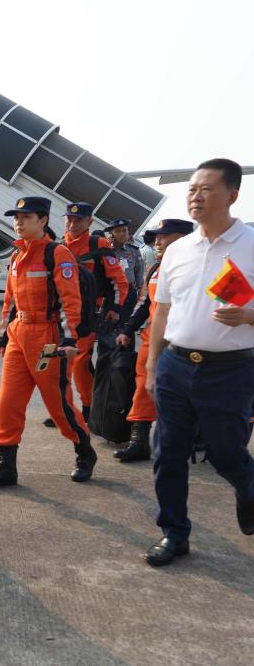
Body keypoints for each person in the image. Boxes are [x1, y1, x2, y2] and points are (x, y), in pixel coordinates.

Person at [142, 158, 254, 566]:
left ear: (232, 195)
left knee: (226, 454)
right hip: (175, 366)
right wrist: (153, 366)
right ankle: (174, 533)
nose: (196, 196)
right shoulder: (177, 250)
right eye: (192, 189)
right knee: (167, 452)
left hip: (230, 370)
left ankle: (248, 490)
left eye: (206, 189)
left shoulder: (250, 245)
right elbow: (162, 311)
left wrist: (249, 315)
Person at [0, 196, 95, 489]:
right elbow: (10, 300)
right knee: (8, 404)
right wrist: (3, 334)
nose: (19, 223)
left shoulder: (57, 254)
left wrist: (69, 339)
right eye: (16, 218)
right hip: (19, 335)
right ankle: (6, 467)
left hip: (48, 338)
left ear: (43, 220)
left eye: (26, 217)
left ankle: (84, 451)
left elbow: (70, 300)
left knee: (58, 404)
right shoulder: (17, 256)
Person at [42, 202, 129, 427]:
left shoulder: (98, 244)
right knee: (57, 363)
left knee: (79, 362)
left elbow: (119, 280)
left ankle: (90, 408)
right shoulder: (57, 246)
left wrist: (115, 308)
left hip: (89, 314)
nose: (72, 224)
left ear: (90, 222)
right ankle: (62, 409)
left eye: (78, 220)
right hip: (60, 313)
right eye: (69, 219)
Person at [114, 219, 194, 463]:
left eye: (165, 236)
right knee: (143, 389)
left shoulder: (198, 268)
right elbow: (144, 304)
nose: (158, 241)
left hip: (186, 341)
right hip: (153, 338)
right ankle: (139, 442)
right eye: (157, 236)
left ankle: (197, 436)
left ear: (183, 238)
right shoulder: (155, 269)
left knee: (187, 392)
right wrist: (128, 330)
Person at [108, 217, 145, 321]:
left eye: (124, 230)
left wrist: (139, 291)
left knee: (125, 322)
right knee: (107, 322)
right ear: (111, 234)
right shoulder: (106, 250)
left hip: (129, 292)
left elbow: (139, 271)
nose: (122, 234)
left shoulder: (134, 251)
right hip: (110, 291)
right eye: (117, 231)